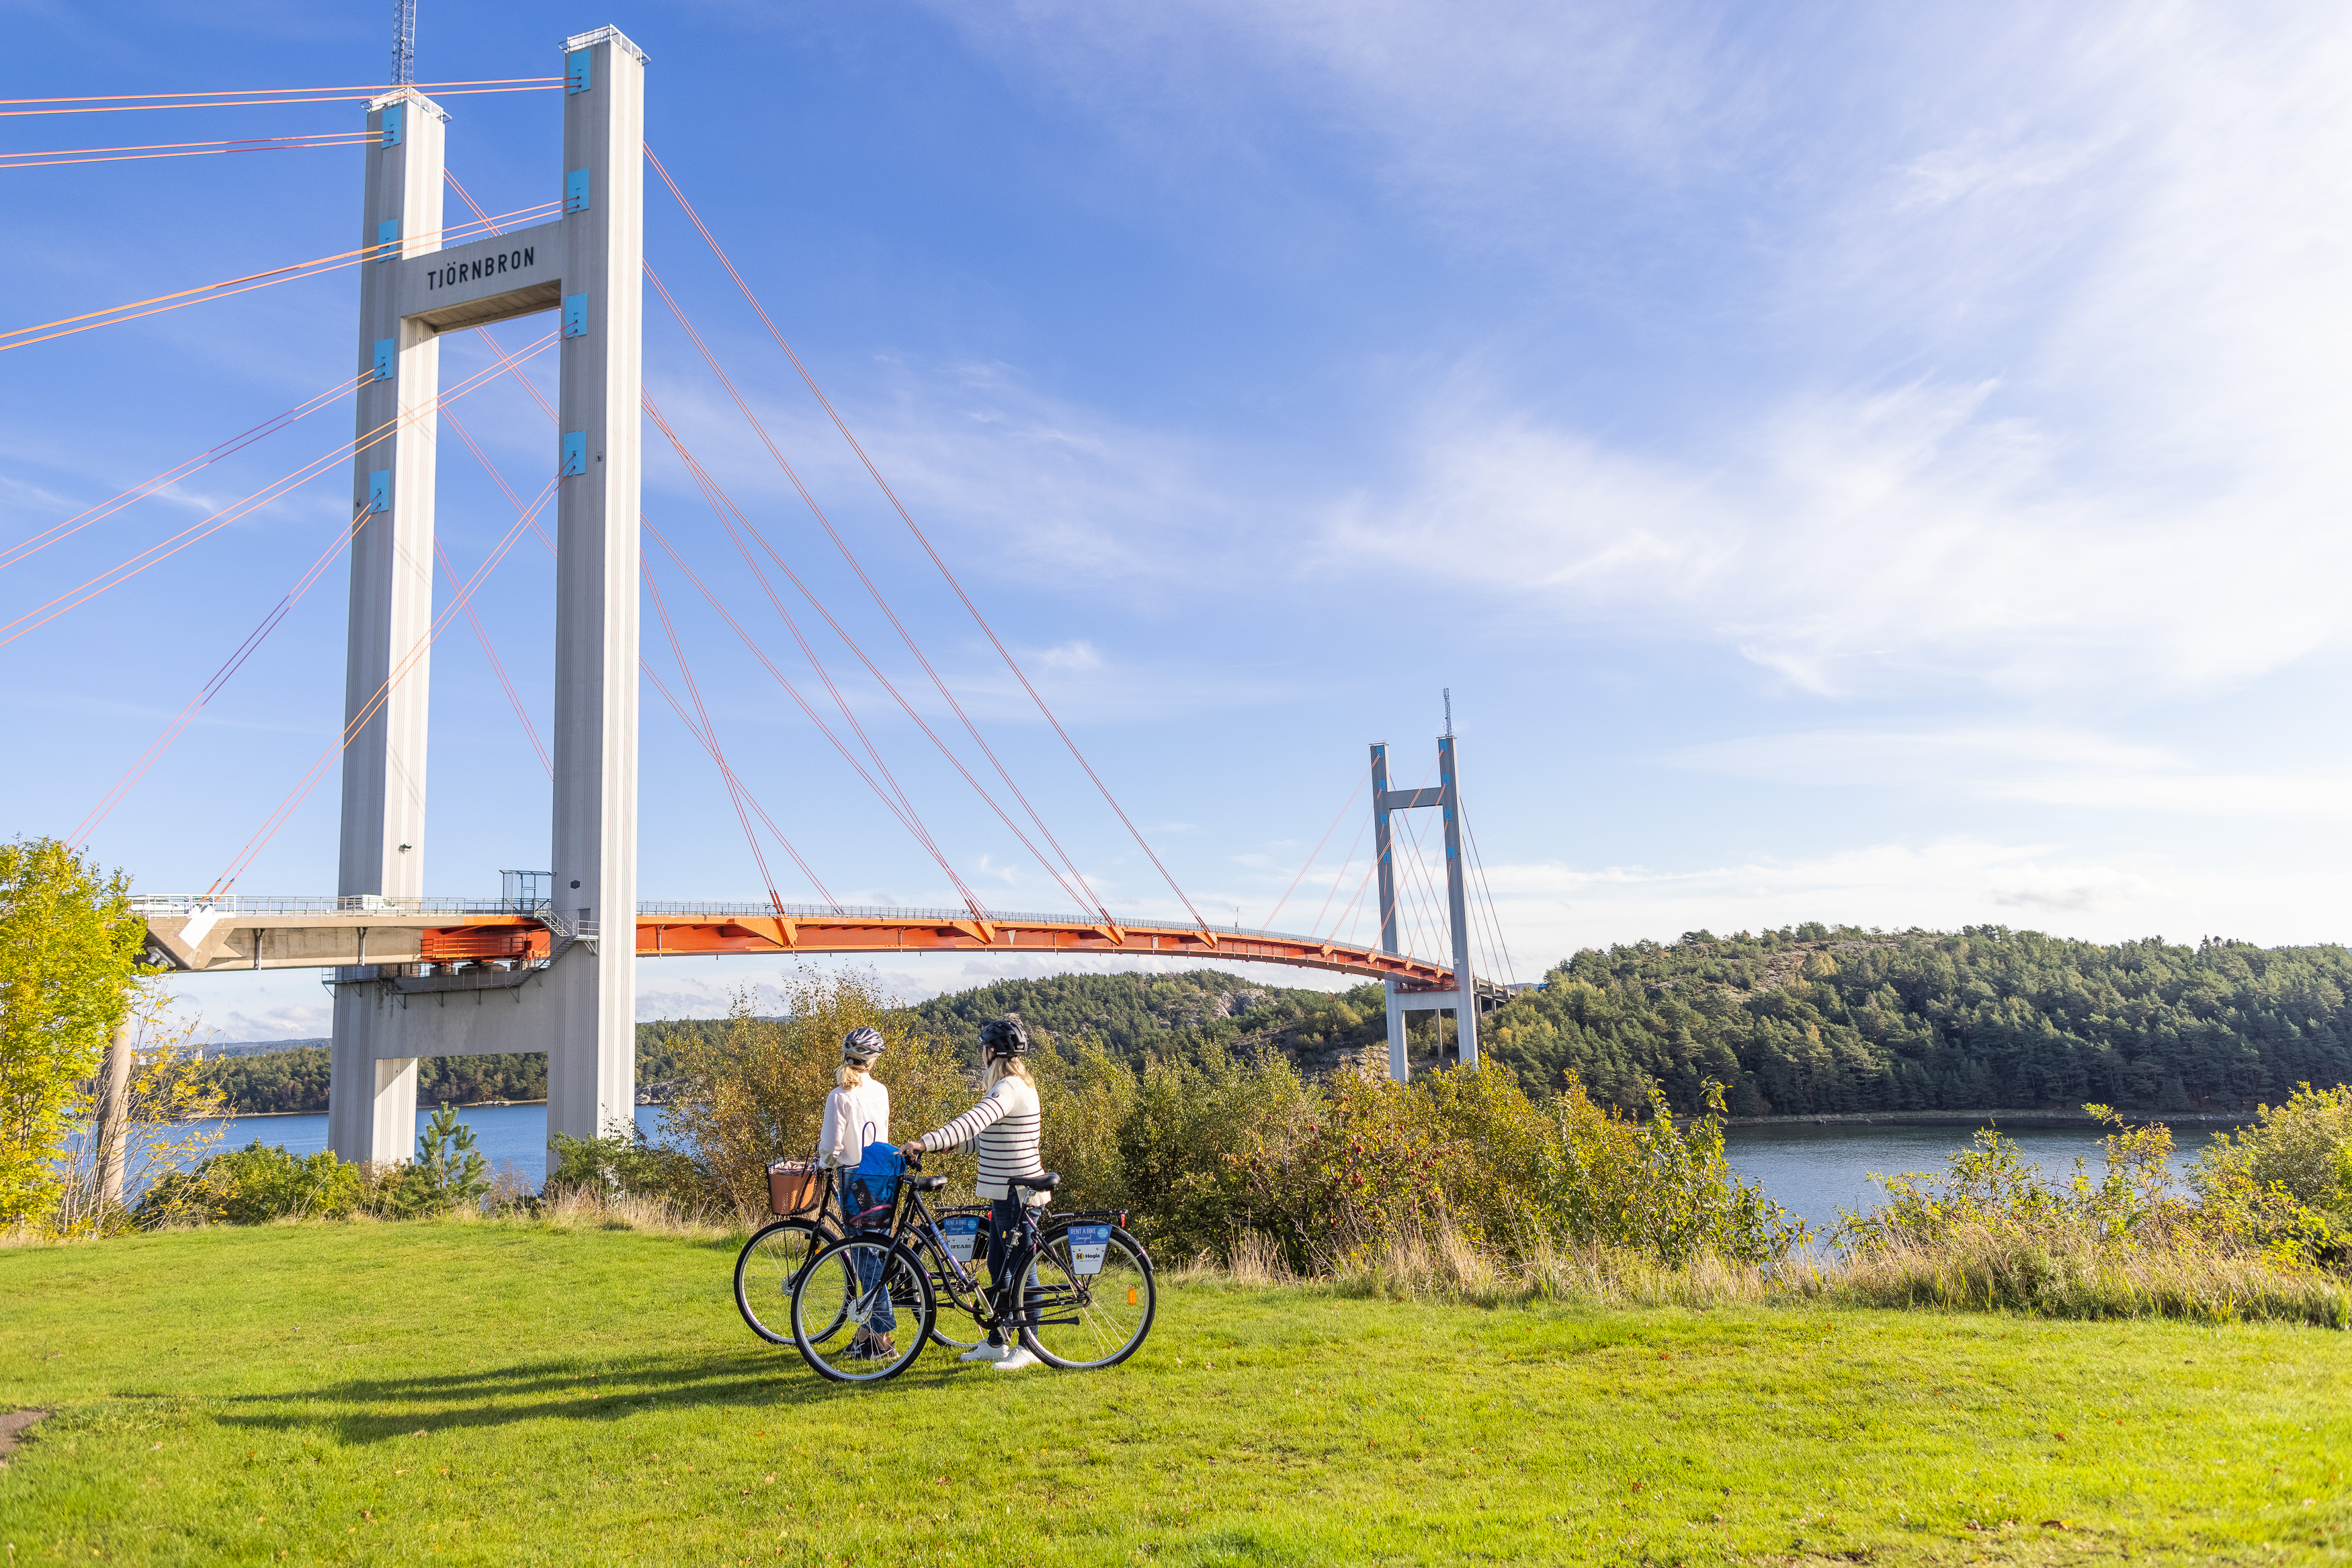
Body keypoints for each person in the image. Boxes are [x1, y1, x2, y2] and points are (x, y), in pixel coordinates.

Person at [901, 1014, 1048, 1372]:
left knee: (1022, 1269)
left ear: (992, 1052)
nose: (981, 1054)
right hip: (1008, 1192)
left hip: (1018, 1194)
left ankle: (1029, 1346)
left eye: (983, 1049)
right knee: (999, 1267)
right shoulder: (1020, 1086)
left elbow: (974, 1120)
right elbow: (987, 1138)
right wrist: (951, 1148)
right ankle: (997, 1342)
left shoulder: (1008, 1088)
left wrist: (926, 1141)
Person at [819, 1026, 895, 1360]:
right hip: (880, 1175)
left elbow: (832, 1146)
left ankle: (882, 1337)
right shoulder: (881, 1091)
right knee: (877, 1250)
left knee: (865, 1255)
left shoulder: (840, 1095)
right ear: (873, 1060)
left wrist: (825, 1164)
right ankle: (866, 1335)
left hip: (855, 1179)